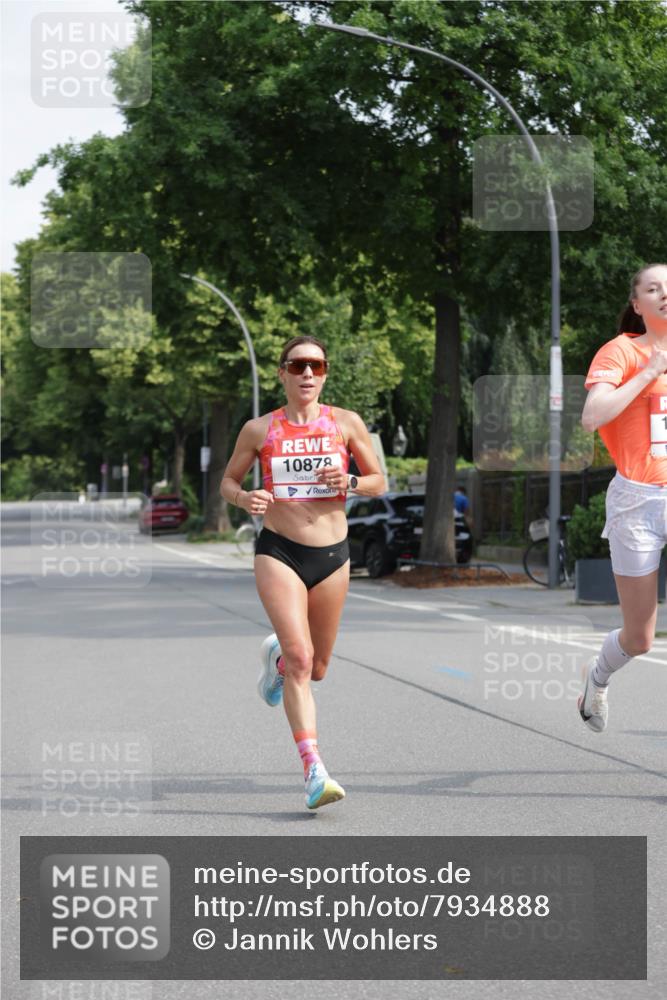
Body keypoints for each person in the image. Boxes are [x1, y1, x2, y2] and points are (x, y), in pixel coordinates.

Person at [221, 336, 386, 807]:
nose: (307, 374)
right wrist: (244, 498)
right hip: (279, 552)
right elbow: (228, 481)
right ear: (283, 373)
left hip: (333, 555)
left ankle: (276, 662)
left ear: (325, 373)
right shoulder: (259, 430)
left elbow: (378, 482)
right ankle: (314, 769)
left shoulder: (345, 423)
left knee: (316, 668)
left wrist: (350, 481)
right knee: (300, 659)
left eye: (316, 366)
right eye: (298, 366)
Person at [580, 262, 667, 732]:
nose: (664, 295)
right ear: (637, 304)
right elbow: (593, 416)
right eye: (653, 289)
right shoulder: (621, 352)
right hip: (638, 501)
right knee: (640, 638)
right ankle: (597, 677)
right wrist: (650, 370)